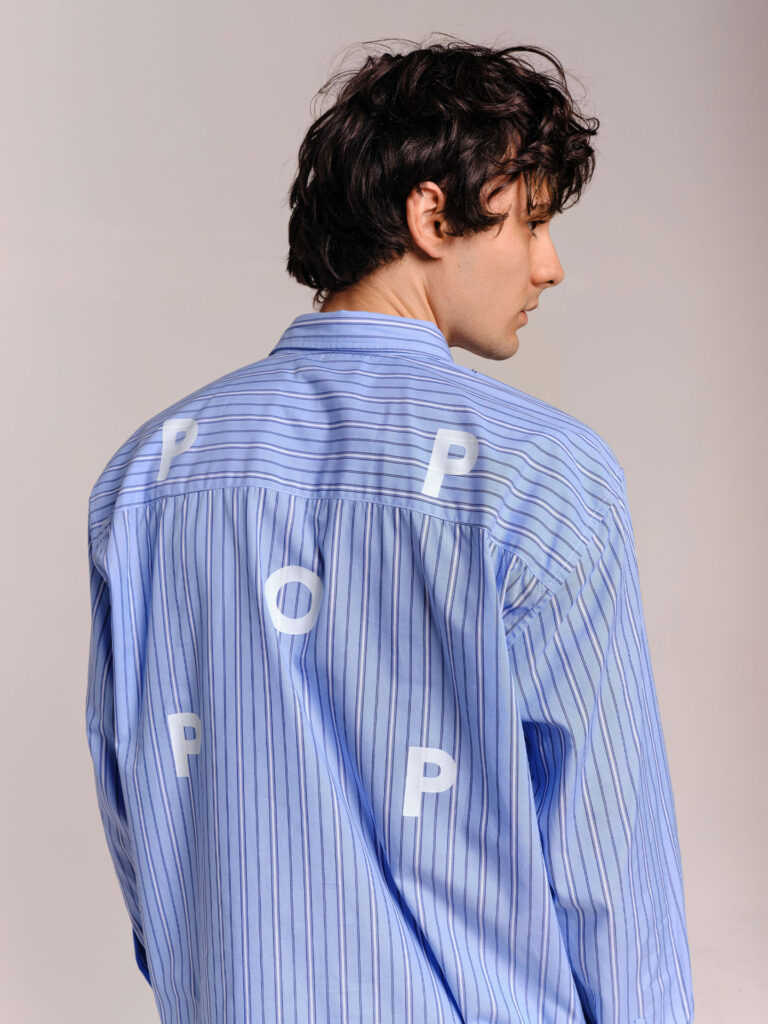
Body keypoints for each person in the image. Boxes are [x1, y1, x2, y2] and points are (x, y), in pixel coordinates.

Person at [85, 35, 695, 1024]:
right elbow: (607, 861)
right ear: (431, 215)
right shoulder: (543, 473)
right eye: (533, 221)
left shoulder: (149, 472)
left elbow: (138, 812)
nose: (550, 266)